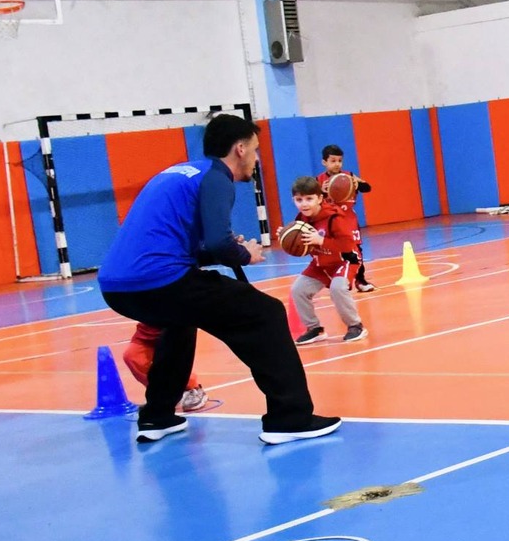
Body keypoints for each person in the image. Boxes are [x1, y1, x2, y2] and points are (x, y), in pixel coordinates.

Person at [96, 112, 337, 445]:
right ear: (240, 148)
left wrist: (225, 250)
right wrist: (245, 254)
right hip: (160, 280)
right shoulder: (217, 178)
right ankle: (290, 418)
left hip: (117, 286)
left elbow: (192, 248)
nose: (256, 159)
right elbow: (219, 244)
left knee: (179, 322)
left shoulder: (180, 173)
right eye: (254, 149)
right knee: (265, 313)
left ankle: (157, 417)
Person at [286, 177, 367, 345]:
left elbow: (348, 245)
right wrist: (286, 237)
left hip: (344, 260)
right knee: (298, 290)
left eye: (309, 199)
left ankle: (355, 326)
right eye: (299, 200)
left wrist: (321, 240)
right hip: (321, 263)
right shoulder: (301, 218)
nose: (304, 204)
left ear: (320, 198)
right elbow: (303, 246)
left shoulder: (334, 217)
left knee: (338, 288)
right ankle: (314, 329)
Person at [317, 145, 374, 291]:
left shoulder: (349, 176)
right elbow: (313, 200)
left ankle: (360, 281)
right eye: (333, 161)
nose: (337, 164)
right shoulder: (319, 181)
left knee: (356, 251)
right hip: (331, 221)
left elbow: (368, 188)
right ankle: (342, 280)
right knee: (335, 252)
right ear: (324, 162)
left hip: (348, 219)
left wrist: (358, 183)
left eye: (340, 161)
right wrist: (321, 192)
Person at [122, 324, 212, 414]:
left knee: (170, 357)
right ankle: (162, 394)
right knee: (132, 356)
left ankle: (193, 389)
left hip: (171, 325)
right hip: (148, 326)